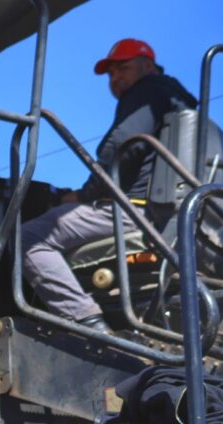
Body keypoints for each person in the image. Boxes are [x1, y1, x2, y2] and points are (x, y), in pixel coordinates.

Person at [21, 39, 197, 332]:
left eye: (122, 68)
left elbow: (122, 147)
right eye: (111, 73)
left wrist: (84, 195)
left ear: (148, 65)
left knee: (29, 237)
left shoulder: (147, 91)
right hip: (167, 213)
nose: (115, 78)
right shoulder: (180, 104)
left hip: (136, 212)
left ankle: (86, 321)